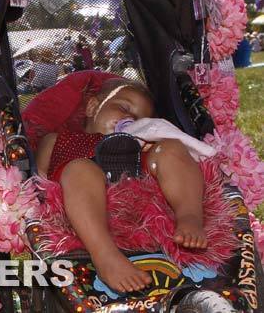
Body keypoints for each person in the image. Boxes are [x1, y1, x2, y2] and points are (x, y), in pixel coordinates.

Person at [36, 78, 209, 293]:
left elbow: (174, 160)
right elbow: (39, 184)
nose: (130, 118)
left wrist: (154, 144)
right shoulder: (60, 140)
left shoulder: (141, 144)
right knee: (80, 169)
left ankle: (190, 215)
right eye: (123, 107)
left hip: (137, 193)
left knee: (171, 149)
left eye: (140, 119)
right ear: (92, 106)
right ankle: (105, 255)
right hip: (82, 202)